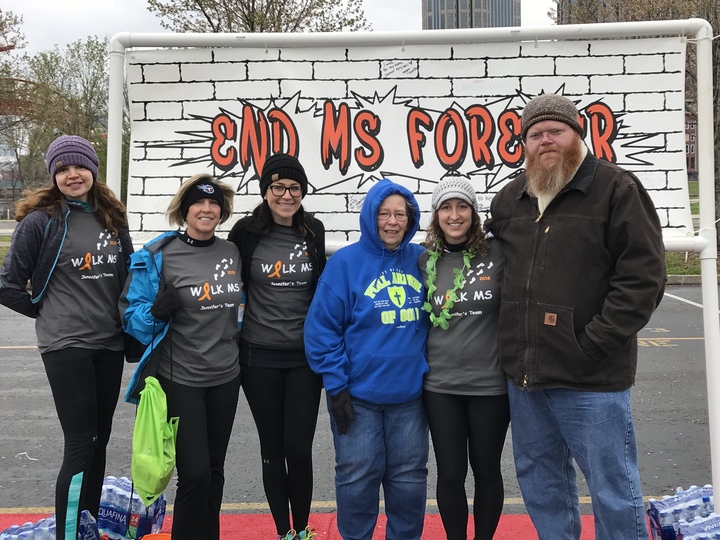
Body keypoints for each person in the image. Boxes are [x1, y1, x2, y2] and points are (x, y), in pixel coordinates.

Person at [484, 93, 666, 540]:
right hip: (525, 377)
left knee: (612, 489)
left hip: (591, 378)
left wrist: (593, 343)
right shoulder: (511, 198)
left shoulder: (617, 189)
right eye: (535, 134)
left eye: (555, 131)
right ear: (524, 143)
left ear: (577, 135)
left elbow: (643, 278)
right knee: (541, 483)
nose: (545, 140)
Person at [0, 135, 133, 540]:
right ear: (53, 175)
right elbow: (7, 285)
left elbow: (129, 277)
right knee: (81, 442)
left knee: (100, 440)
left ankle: (87, 526)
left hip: (109, 343)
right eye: (62, 169)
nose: (72, 175)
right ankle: (69, 535)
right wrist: (47, 311)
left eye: (78, 166)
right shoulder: (40, 222)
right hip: (66, 346)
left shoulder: (112, 218)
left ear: (92, 170)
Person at [304, 178, 430, 540]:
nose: (392, 222)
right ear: (370, 216)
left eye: (399, 215)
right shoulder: (345, 263)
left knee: (408, 480)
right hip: (357, 396)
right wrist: (336, 382)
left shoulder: (422, 260)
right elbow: (321, 330)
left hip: (410, 398)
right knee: (357, 479)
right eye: (384, 214)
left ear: (410, 219)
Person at [120, 174, 242, 540]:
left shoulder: (231, 252)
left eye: (214, 203)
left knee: (215, 471)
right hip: (181, 378)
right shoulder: (158, 255)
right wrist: (155, 313)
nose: (207, 209)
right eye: (198, 203)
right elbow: (130, 316)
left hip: (225, 376)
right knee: (195, 474)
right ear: (184, 210)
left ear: (222, 211)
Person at [227, 153, 325, 540]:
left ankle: (302, 529)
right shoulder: (246, 232)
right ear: (266, 191)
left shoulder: (313, 231)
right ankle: (283, 531)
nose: (287, 195)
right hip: (257, 355)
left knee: (299, 449)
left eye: (294, 188)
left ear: (302, 192)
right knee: (273, 448)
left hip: (304, 357)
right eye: (278, 187)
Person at [419, 177, 509, 540]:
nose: (454, 215)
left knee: (486, 470)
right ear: (436, 215)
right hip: (441, 386)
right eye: (446, 207)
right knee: (450, 473)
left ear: (473, 213)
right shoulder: (424, 260)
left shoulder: (498, 253)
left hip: (491, 385)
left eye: (462, 207)